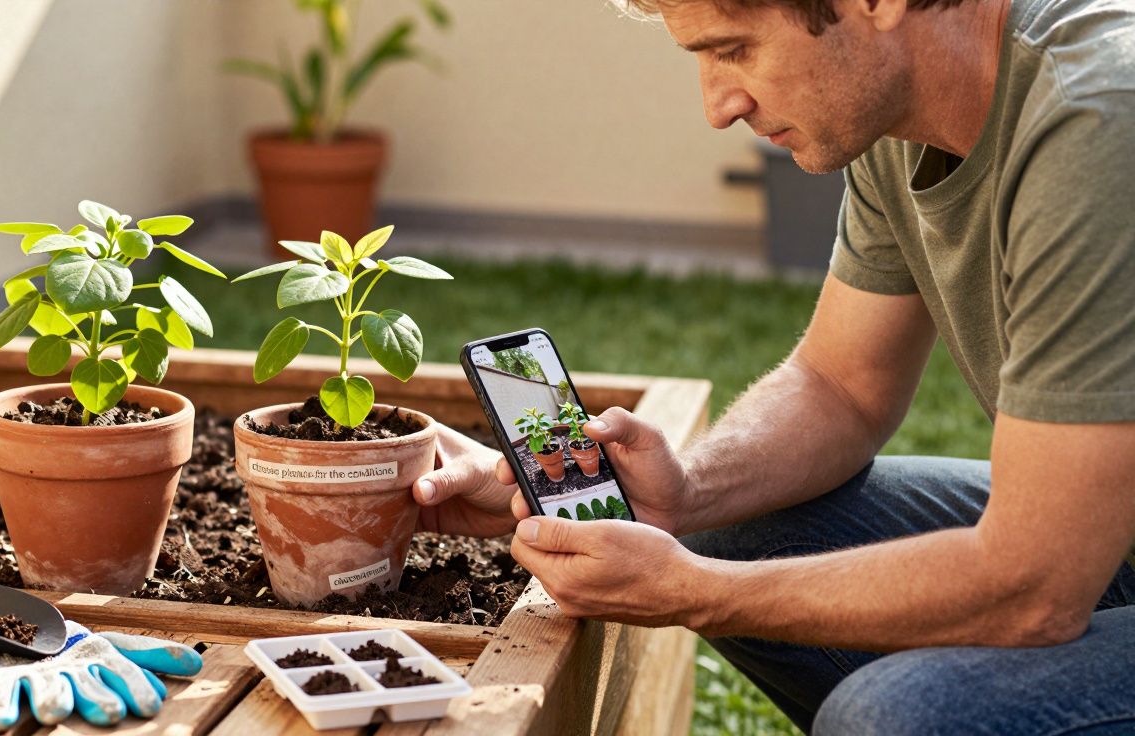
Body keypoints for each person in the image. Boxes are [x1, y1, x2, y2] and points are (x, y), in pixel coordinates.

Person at [407, 0, 1135, 731]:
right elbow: (841, 386)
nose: (718, 107)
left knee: (892, 718)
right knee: (739, 524)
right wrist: (685, 493)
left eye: (733, 50)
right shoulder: (899, 113)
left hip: (1069, 560)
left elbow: (1034, 584)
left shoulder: (1098, 121)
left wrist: (696, 590)